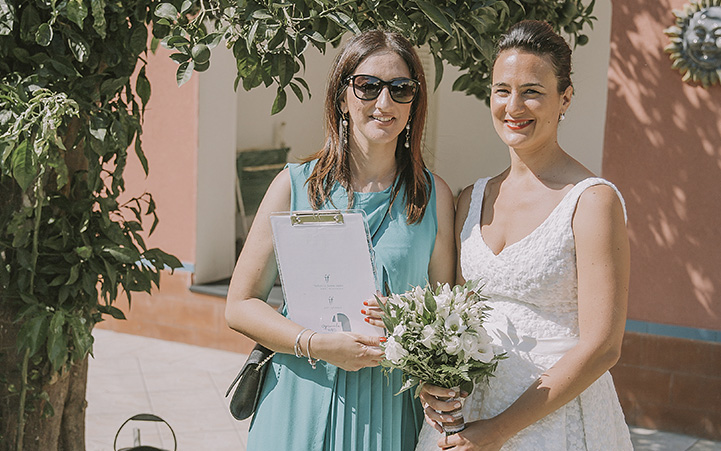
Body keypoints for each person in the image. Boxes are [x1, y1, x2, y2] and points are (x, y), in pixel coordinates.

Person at [225, 29, 456, 451]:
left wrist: (405, 321)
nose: (383, 103)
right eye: (367, 86)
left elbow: (446, 314)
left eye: (400, 89)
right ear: (341, 97)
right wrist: (315, 344)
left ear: (413, 103)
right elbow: (240, 305)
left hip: (388, 408)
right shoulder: (293, 186)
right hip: (299, 395)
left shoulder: (433, 196)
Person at [415, 20, 633, 450]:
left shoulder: (591, 202)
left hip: (553, 420)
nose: (513, 106)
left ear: (564, 98)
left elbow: (604, 346)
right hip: (467, 417)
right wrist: (434, 383)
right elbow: (453, 318)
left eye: (532, 91)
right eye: (502, 90)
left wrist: (499, 430)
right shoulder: (471, 197)